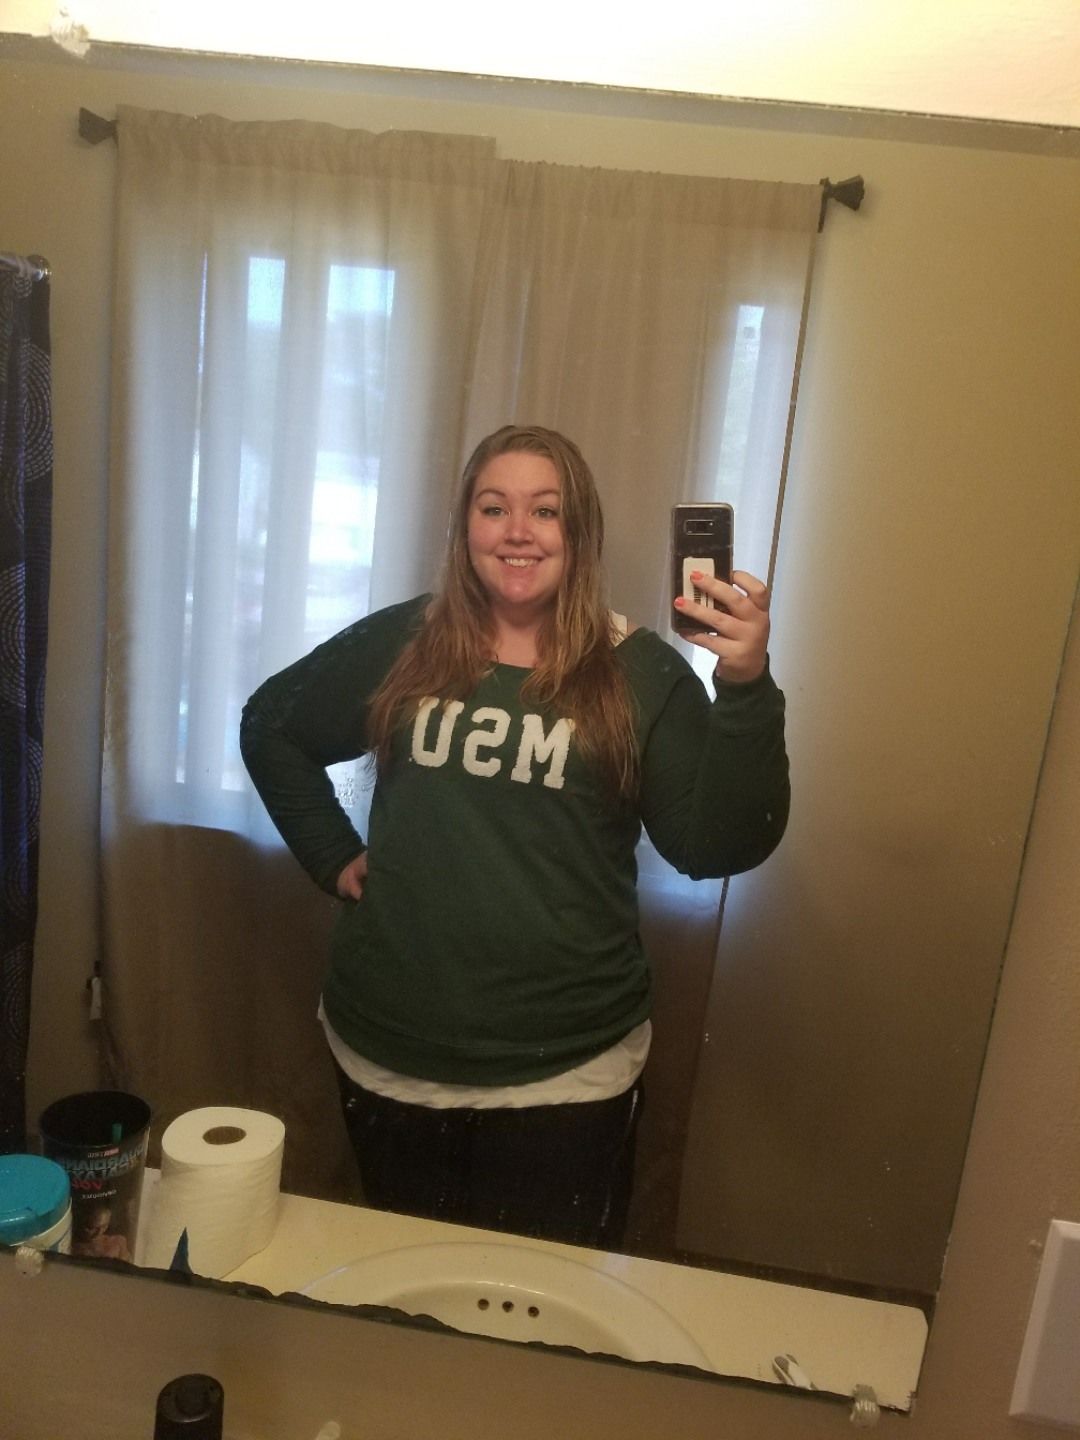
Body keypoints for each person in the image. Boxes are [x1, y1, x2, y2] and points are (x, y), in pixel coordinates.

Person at [240, 423, 788, 1249]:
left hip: (568, 1075)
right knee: (406, 1282)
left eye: (546, 510)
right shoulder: (404, 640)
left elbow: (716, 847)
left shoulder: (640, 672)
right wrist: (330, 852)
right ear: (466, 526)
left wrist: (743, 686)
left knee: (543, 1305)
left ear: (580, 530)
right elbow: (271, 725)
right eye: (494, 508)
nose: (518, 531)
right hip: (390, 1051)